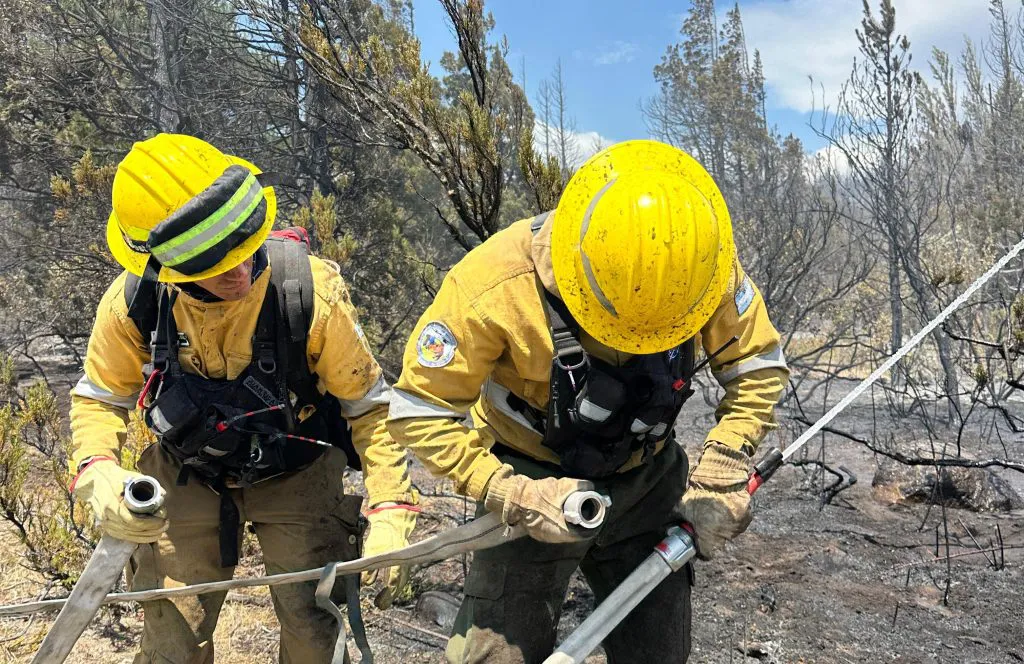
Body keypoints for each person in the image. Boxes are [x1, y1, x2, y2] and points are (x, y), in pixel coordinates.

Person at [387, 140, 789, 663]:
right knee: (495, 657)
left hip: (647, 481)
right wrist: (509, 493)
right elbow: (421, 408)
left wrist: (725, 463)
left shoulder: (698, 265)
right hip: (529, 477)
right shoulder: (492, 287)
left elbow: (757, 365)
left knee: (658, 654)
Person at [68, 133, 419, 663]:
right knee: (171, 634)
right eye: (212, 266)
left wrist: (392, 503)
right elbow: (100, 396)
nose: (238, 273)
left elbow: (368, 407)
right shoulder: (135, 301)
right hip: (187, 472)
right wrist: (96, 468)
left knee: (312, 627)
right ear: (165, 267)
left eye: (245, 250)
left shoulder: (309, 293)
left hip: (297, 468)